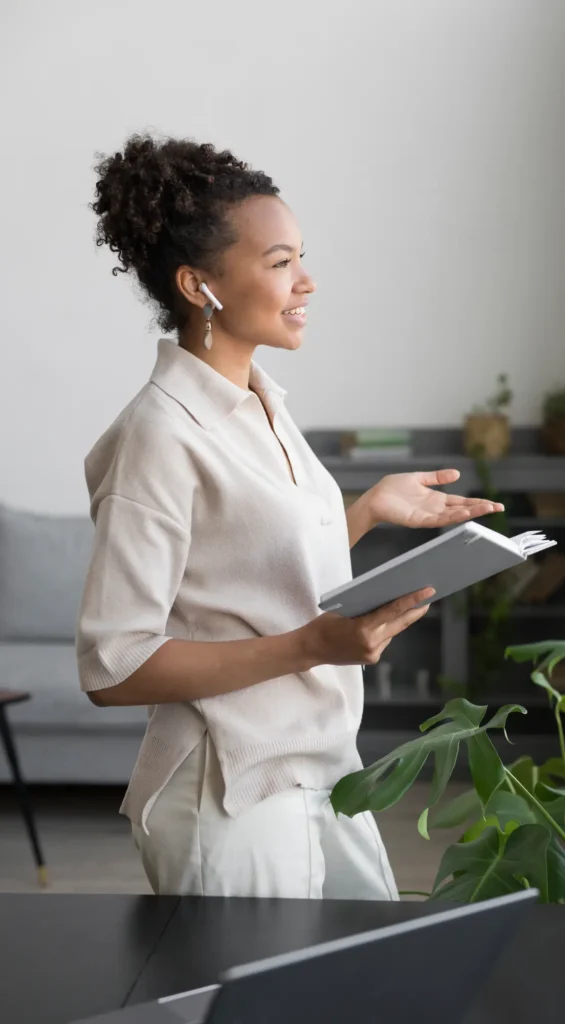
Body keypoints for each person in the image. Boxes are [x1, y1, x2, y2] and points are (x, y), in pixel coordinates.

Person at [77, 134, 501, 900]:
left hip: (325, 767)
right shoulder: (158, 437)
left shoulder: (264, 404)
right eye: (280, 263)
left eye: (300, 257)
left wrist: (366, 512)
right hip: (228, 790)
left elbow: (239, 576)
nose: (306, 281)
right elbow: (114, 666)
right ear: (199, 286)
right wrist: (313, 645)